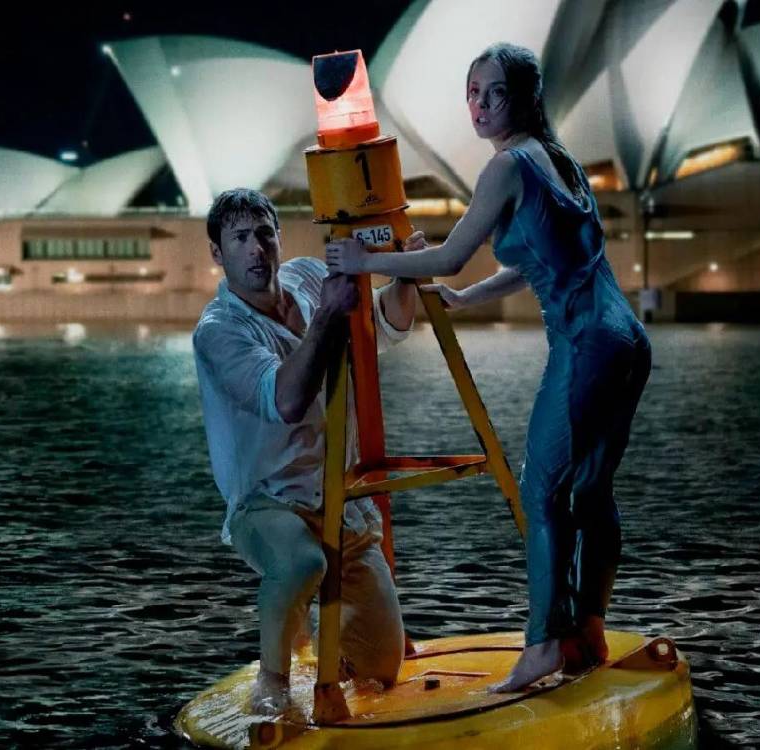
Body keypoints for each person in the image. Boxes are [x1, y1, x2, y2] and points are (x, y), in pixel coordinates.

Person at [326, 43, 652, 692]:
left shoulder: (506, 167)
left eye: (492, 93)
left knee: (541, 492)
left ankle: (543, 645)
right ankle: (587, 627)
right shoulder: (560, 160)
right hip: (627, 341)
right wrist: (471, 299)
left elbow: (447, 257)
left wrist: (363, 264)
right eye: (470, 91)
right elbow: (544, 260)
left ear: (524, 98)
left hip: (586, 345)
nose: (477, 104)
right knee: (589, 491)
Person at [193, 187, 423, 713]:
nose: (257, 249)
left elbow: (384, 326)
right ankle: (271, 684)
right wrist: (325, 317)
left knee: (381, 666)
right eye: (240, 239)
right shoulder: (219, 331)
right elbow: (288, 399)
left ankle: (323, 643)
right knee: (299, 563)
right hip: (267, 501)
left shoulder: (303, 276)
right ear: (217, 253)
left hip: (338, 497)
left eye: (265, 234)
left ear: (279, 237)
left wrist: (406, 272)